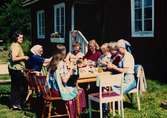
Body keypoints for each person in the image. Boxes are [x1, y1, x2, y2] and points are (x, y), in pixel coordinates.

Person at [47, 45, 86, 118]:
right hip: (59, 91)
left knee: (76, 88)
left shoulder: (52, 62)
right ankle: (75, 113)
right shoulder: (60, 64)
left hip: (52, 89)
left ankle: (62, 109)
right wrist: (71, 70)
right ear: (63, 53)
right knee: (80, 90)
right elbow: (64, 80)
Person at [8, 31, 29, 110]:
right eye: (20, 37)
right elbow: (14, 58)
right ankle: (17, 104)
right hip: (16, 69)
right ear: (16, 38)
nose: (22, 39)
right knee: (20, 87)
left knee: (15, 87)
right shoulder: (16, 46)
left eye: (22, 37)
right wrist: (24, 57)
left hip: (14, 69)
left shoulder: (14, 45)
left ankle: (15, 104)